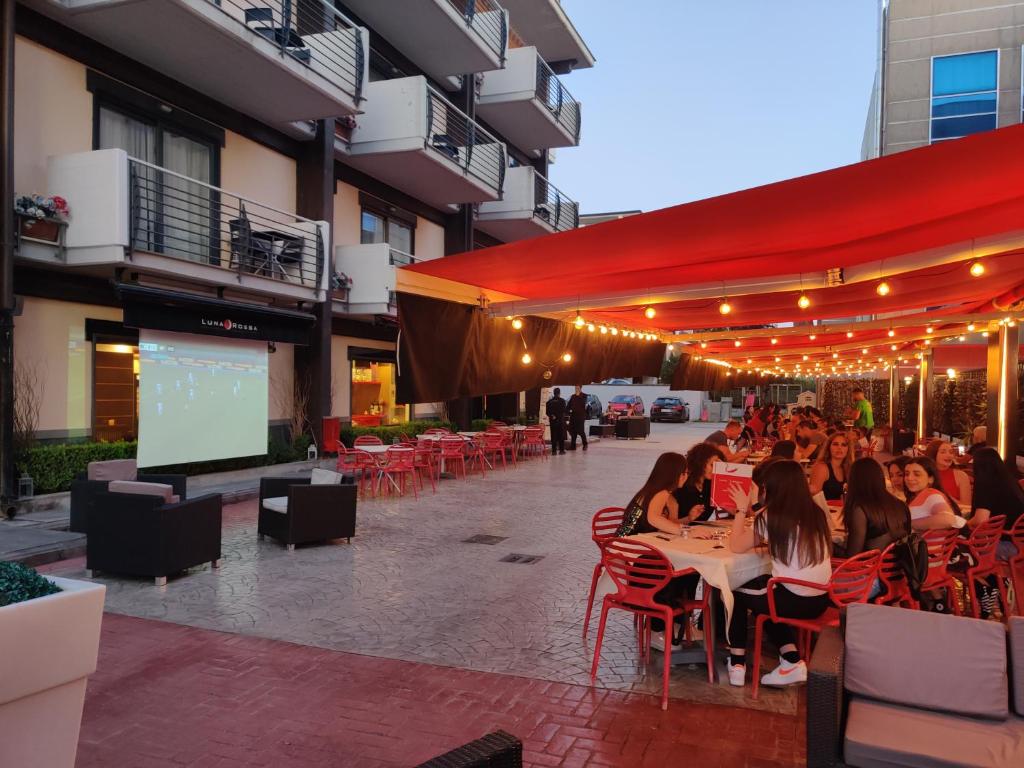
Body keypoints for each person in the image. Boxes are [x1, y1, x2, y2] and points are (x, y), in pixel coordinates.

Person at [726, 460, 832, 688]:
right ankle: (791, 661)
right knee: (765, 595)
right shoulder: (815, 512)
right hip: (821, 599)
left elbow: (735, 545)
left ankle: (737, 664)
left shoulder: (771, 515)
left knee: (734, 590)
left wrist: (741, 509)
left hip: (794, 599)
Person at [615, 452, 697, 650]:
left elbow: (665, 524)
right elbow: (654, 519)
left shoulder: (662, 493)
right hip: (631, 559)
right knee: (675, 573)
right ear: (674, 473)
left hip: (631, 553)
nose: (686, 476)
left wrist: (687, 520)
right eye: (684, 472)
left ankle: (675, 623)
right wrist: (686, 530)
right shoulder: (660, 493)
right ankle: (656, 628)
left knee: (687, 572)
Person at [842, 458, 912, 557]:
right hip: (899, 564)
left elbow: (853, 555)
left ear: (854, 481)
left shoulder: (860, 509)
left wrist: (830, 546)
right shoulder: (901, 504)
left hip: (872, 565)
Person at [966, 448, 1024, 560]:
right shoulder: (1012, 483)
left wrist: (963, 525)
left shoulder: (986, 485)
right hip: (1019, 543)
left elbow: (980, 520)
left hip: (1007, 546)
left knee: (957, 545)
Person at [903, 457, 964, 531]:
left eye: (917, 474)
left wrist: (908, 524)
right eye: (907, 474)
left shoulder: (932, 495)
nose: (909, 478)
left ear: (931, 479)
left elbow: (948, 519)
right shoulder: (917, 496)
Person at [673, 443, 726, 523]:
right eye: (712, 465)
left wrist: (724, 471)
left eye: (717, 465)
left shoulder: (712, 485)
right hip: (679, 529)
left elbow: (734, 510)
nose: (715, 468)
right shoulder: (682, 484)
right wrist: (688, 518)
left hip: (700, 529)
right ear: (700, 463)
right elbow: (668, 524)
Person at [924, 439, 972, 506]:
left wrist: (947, 497)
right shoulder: (923, 474)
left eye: (951, 452)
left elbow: (967, 506)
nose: (949, 455)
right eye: (943, 452)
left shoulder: (961, 476)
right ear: (933, 454)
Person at [809, 432, 852, 502]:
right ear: (828, 447)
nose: (839, 448)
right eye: (835, 444)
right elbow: (814, 499)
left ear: (848, 449)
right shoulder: (821, 467)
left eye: (844, 445)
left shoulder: (849, 468)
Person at [566, 385, 589, 452]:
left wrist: (578, 395)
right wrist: (568, 411)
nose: (576, 389)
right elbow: (568, 406)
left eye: (578, 388)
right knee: (573, 431)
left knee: (581, 431)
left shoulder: (584, 396)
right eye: (575, 388)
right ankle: (573, 446)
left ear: (580, 388)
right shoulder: (573, 396)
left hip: (580, 417)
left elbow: (583, 404)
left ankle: (585, 444)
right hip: (573, 416)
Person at [545, 388, 567, 456]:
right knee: (561, 435)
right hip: (560, 421)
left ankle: (554, 451)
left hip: (553, 422)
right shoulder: (562, 401)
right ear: (559, 393)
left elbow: (547, 412)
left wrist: (552, 416)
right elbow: (564, 411)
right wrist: (558, 416)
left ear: (554, 393)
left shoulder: (549, 402)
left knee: (553, 436)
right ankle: (561, 450)